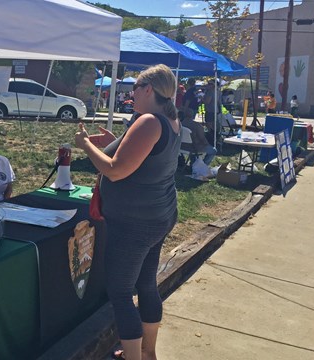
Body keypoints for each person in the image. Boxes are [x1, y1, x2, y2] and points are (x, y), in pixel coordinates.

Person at [75, 64, 180, 360]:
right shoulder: (169, 120)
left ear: (148, 90)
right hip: (159, 215)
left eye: (134, 88)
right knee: (146, 284)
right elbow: (138, 155)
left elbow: (115, 170)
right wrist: (113, 140)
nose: (130, 93)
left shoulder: (148, 121)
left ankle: (133, 356)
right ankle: (148, 352)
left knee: (120, 292)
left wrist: (84, 145)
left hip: (136, 223)